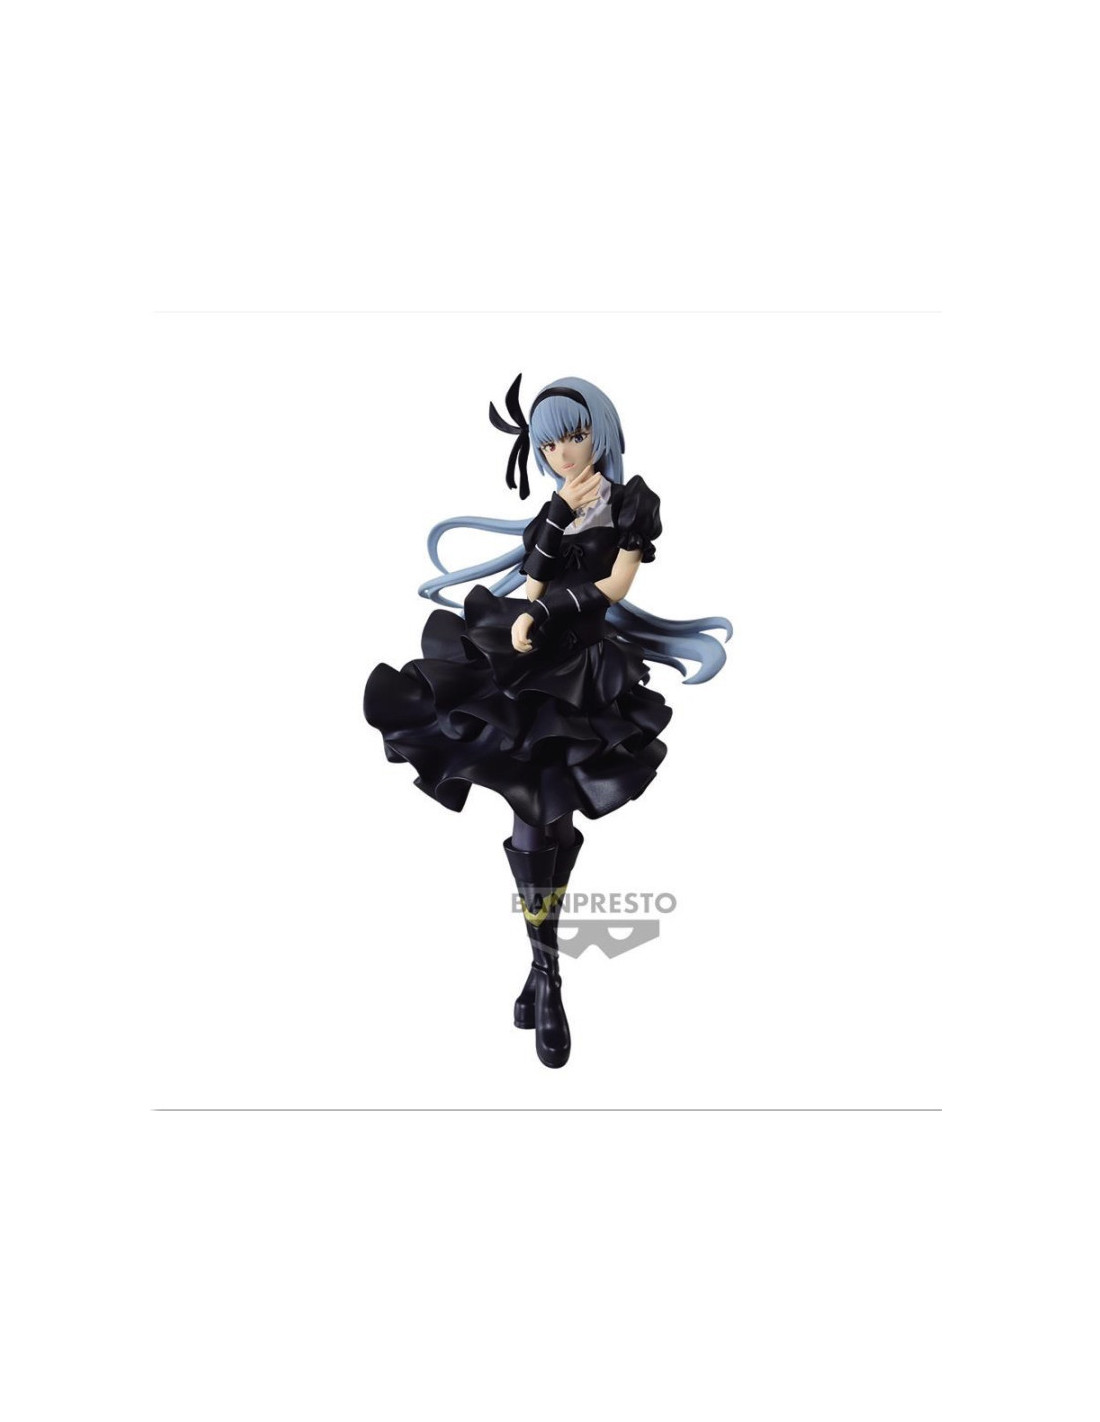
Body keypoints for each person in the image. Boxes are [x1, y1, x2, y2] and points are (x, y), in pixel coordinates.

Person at [363, 375, 731, 1068]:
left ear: (601, 432)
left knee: (553, 821)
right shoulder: (556, 504)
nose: (563, 453)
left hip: (585, 668)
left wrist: (544, 609)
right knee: (534, 819)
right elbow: (533, 578)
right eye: (550, 443)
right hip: (528, 658)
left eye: (575, 436)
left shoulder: (632, 503)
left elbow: (614, 586)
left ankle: (542, 976)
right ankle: (549, 978)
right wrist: (553, 529)